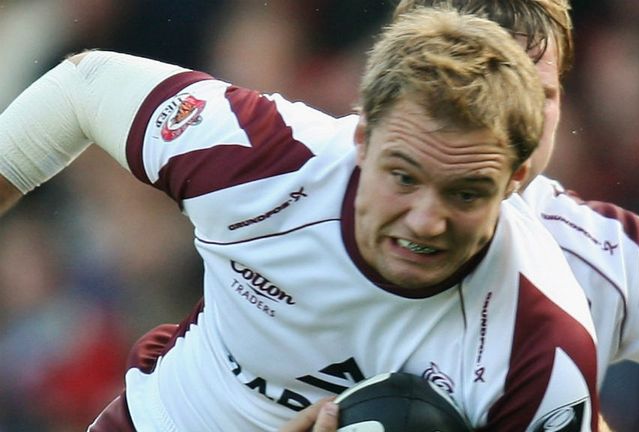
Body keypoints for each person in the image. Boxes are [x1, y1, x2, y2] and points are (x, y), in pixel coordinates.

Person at [0, 7, 601, 432]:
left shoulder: (541, 349)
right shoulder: (263, 155)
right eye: (403, 177)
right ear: (361, 138)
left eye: (466, 194)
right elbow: (83, 88)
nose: (425, 221)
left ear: (516, 179)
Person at [392, 0, 639, 428]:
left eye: (542, 95)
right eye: (491, 92)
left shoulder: (608, 258)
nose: (523, 122)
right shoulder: (321, 166)